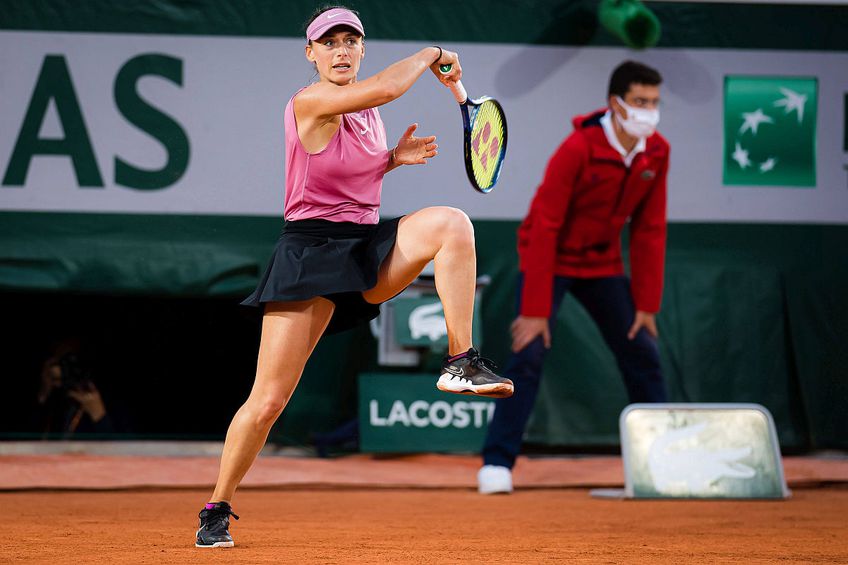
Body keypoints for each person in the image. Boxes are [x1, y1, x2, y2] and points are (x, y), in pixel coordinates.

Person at [195, 5, 513, 548]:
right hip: (309, 253)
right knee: (268, 401)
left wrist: (388, 160)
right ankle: (217, 507)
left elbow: (342, 166)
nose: (341, 51)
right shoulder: (310, 100)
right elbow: (388, 90)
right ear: (311, 53)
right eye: (330, 42)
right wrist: (431, 54)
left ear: (361, 48)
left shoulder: (368, 114)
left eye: (350, 41)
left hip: (364, 245)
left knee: (452, 224)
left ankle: (461, 361)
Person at [477, 61, 670, 494]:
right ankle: (497, 464)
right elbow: (544, 226)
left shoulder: (658, 151)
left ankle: (662, 462)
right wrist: (536, 311)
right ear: (615, 104)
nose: (649, 112)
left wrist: (646, 304)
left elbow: (649, 229)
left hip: (603, 265)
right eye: (640, 102)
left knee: (643, 350)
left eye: (655, 103)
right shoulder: (577, 148)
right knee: (527, 353)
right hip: (550, 258)